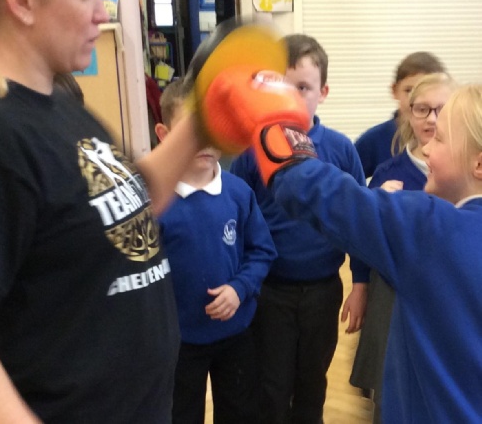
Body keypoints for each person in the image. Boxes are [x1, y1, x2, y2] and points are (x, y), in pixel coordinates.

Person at [0, 0, 207, 422]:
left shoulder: (60, 103)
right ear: (22, 0)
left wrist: (204, 121)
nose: (102, 13)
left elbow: (131, 200)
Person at [202, 61, 482, 422]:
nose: (426, 149)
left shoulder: (430, 230)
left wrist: (274, 118)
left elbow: (315, 189)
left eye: (439, 139)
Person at [230, 34, 369, 424]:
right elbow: (235, 217)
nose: (291, 97)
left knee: (312, 385)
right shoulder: (252, 150)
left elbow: (360, 222)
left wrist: (360, 284)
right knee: (271, 387)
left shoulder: (340, 149)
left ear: (323, 93)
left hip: (323, 291)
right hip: (269, 291)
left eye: (303, 88)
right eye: (282, 87)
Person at [155, 79, 277, 424]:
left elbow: (262, 251)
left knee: (240, 413)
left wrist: (240, 289)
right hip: (179, 343)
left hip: (236, 334)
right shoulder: (155, 202)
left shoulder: (239, 193)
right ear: (165, 134)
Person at [350, 72, 456, 423]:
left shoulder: (465, 173)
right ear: (408, 113)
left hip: (448, 297)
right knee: (392, 389)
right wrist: (377, 208)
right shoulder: (388, 172)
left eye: (441, 109)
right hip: (392, 297)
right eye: (422, 109)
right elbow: (364, 241)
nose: (431, 119)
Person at [355, 51, 446, 178]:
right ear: (394, 90)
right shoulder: (373, 141)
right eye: (409, 90)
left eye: (427, 91)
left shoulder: (457, 140)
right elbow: (348, 184)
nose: (416, 98)